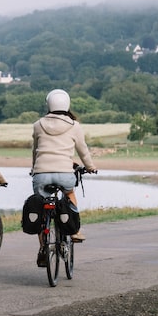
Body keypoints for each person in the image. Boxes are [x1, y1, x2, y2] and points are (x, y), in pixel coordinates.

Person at [31, 89, 98, 262]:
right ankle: (74, 231)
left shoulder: (38, 124)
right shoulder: (74, 126)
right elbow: (83, 150)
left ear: (49, 104)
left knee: (40, 207)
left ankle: (42, 249)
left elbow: (35, 151)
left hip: (41, 174)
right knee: (69, 194)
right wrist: (90, 167)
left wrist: (34, 169)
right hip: (64, 174)